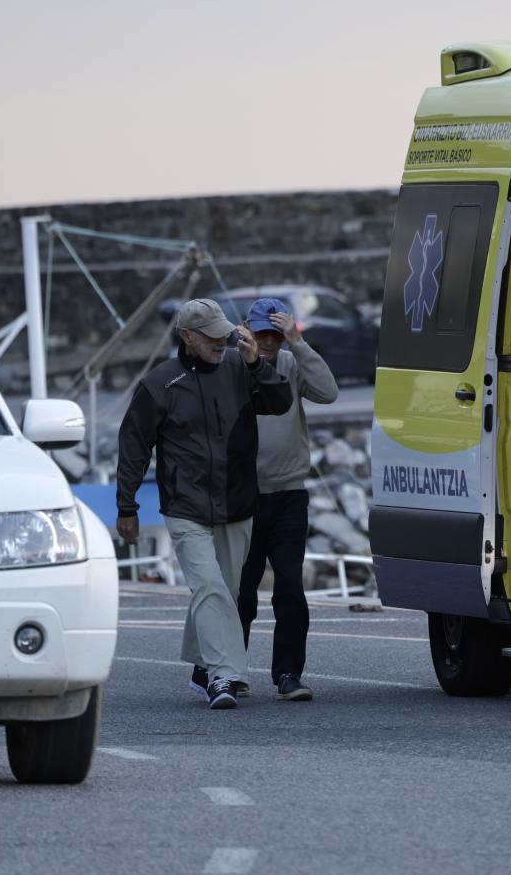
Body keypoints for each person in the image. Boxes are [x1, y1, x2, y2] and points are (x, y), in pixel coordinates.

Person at [115, 298, 292, 710]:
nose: (221, 341)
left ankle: (201, 666)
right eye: (211, 335)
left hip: (237, 502)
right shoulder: (159, 384)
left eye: (223, 333)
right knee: (209, 587)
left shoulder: (239, 367)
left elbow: (279, 402)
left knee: (223, 592)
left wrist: (255, 365)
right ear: (187, 337)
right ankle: (223, 675)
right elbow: (134, 446)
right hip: (185, 505)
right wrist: (127, 506)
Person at [236, 297, 338, 701]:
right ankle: (227, 671)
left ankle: (288, 674)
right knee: (241, 593)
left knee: (291, 589)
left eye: (274, 335)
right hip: (243, 498)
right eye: (261, 333)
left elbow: (328, 393)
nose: (267, 342)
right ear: (246, 329)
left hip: (289, 494)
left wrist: (298, 343)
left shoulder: (292, 362)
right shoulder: (232, 366)